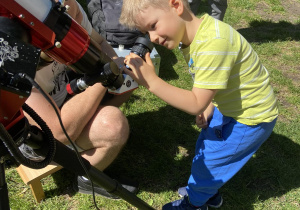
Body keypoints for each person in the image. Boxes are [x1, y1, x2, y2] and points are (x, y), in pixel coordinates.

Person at [120, 0, 278, 209]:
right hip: (231, 106)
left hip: (251, 118)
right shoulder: (195, 36)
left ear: (176, 5)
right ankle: (207, 193)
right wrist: (208, 103)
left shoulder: (214, 42)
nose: (152, 38)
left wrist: (152, 82)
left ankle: (195, 203)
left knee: (210, 163)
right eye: (146, 32)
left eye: (153, 26)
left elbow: (195, 104)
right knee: (205, 146)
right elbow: (212, 78)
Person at [20, 0, 137, 199]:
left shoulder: (65, 6)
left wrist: (118, 70)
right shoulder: (13, 45)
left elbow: (98, 42)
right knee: (112, 125)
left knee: (128, 83)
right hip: (36, 138)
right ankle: (88, 179)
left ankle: (93, 138)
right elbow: (58, 132)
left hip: (62, 95)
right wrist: (105, 75)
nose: (67, 7)